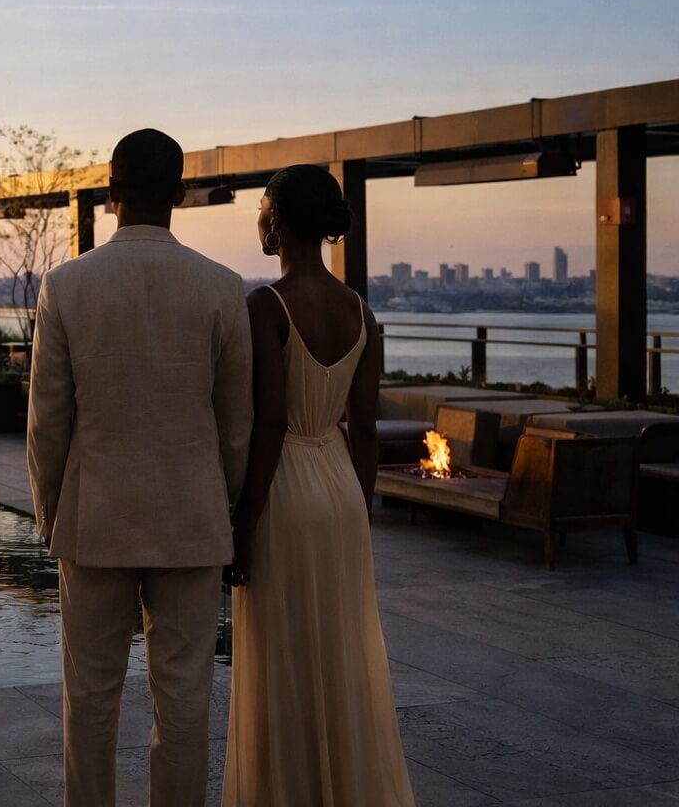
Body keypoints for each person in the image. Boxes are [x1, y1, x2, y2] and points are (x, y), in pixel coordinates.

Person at [28, 128, 253, 807]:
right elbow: (235, 428)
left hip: (95, 518)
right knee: (184, 698)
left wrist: (50, 514)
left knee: (89, 698)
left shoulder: (67, 286)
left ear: (111, 192)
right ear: (180, 195)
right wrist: (227, 510)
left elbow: (48, 422)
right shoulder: (222, 288)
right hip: (191, 520)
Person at [221, 164, 415, 806]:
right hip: (338, 488)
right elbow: (364, 427)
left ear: (277, 222)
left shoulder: (265, 306)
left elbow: (272, 421)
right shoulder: (362, 312)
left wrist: (243, 526)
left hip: (285, 491)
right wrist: (358, 511)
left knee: (282, 660)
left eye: (264, 209)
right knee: (337, 657)